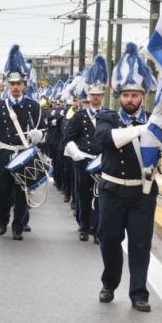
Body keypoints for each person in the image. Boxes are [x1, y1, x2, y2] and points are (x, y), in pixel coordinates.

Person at [94, 43, 162, 312]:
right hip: (112, 190)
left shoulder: (153, 119)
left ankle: (139, 293)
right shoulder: (107, 116)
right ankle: (109, 283)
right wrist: (143, 128)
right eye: (126, 95)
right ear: (119, 96)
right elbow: (106, 139)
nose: (130, 100)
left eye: (135, 95)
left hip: (142, 193)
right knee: (108, 239)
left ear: (143, 96)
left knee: (140, 244)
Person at [0, 45, 43, 240]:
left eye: (19, 83)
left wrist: (38, 136)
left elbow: (41, 130)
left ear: (24, 85)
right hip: (5, 152)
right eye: (12, 83)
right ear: (7, 85)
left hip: (24, 152)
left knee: (22, 190)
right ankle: (2, 218)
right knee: (1, 190)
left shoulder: (33, 106)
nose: (16, 87)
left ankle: (18, 225)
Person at [64, 56, 109, 242]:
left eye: (99, 95)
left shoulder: (110, 116)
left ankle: (98, 230)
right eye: (93, 95)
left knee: (101, 196)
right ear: (88, 96)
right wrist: (75, 153)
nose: (95, 97)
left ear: (102, 96)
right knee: (83, 194)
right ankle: (84, 226)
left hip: (103, 162)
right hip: (83, 160)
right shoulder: (79, 116)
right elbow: (68, 138)